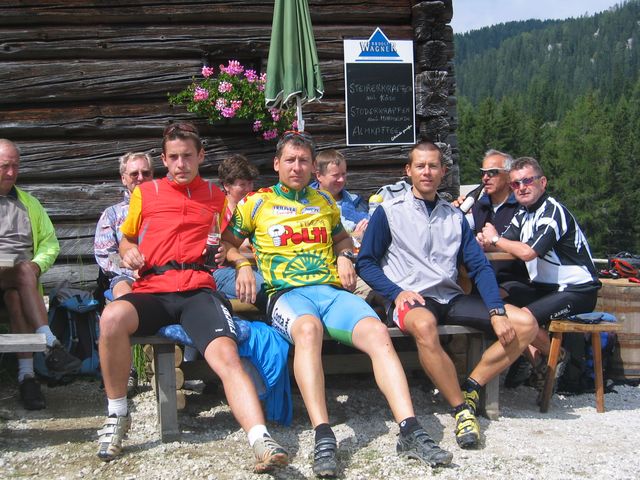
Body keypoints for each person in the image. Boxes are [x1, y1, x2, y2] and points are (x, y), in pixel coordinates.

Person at [222, 131, 453, 477]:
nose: (297, 167)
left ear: (313, 167)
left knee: (378, 332)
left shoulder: (324, 201)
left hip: (330, 293)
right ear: (276, 164)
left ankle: (409, 429)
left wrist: (345, 255)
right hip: (286, 294)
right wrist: (242, 264)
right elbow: (227, 242)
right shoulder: (256, 202)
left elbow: (343, 238)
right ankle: (323, 435)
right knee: (309, 330)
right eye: (290, 160)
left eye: (303, 161)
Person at [96, 122, 288, 473]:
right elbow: (126, 239)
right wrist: (128, 251)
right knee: (111, 318)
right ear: (164, 159)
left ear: (201, 156)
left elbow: (229, 244)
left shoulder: (215, 197)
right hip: (154, 289)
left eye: (187, 156)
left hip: (198, 290)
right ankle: (117, 415)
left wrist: (242, 263)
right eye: (173, 157)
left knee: (226, 354)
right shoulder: (146, 193)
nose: (180, 164)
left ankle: (261, 439)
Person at [356, 142, 538, 449]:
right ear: (408, 171)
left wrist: (496, 310)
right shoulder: (389, 212)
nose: (426, 172)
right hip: (410, 296)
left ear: (443, 172)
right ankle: (461, 410)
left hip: (450, 297)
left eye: (433, 166)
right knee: (425, 325)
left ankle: (472, 385)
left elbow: (479, 266)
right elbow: (366, 262)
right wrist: (395, 293)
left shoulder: (454, 217)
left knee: (526, 324)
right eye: (420, 166)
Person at [479, 156, 601, 392]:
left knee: (523, 318)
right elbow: (503, 244)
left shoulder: (552, 212)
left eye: (527, 181)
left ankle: (559, 357)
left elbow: (527, 252)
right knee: (498, 300)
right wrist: (482, 241)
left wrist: (494, 238)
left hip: (578, 289)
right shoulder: (523, 213)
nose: (522, 187)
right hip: (546, 287)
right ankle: (539, 363)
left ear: (542, 182)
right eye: (515, 184)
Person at [0, 139, 81, 410]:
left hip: (18, 281)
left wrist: (38, 265)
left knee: (16, 296)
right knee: (22, 271)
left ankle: (27, 377)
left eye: (15, 166)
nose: (11, 172)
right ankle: (49, 342)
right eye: (4, 166)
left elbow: (49, 243)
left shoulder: (29, 203)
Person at [94, 151, 154, 394]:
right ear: (123, 178)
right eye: (134, 173)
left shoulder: (164, 208)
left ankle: (173, 365)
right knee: (122, 301)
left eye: (146, 173)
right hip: (125, 275)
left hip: (161, 273)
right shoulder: (112, 214)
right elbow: (104, 254)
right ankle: (125, 370)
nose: (140, 178)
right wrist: (130, 266)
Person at [212, 154, 267, 312]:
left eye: (250, 183)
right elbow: (219, 249)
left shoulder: (256, 208)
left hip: (257, 269)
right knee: (266, 290)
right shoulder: (218, 211)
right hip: (224, 271)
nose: (248, 189)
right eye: (242, 184)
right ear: (227, 186)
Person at [310, 149, 369, 243]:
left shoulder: (356, 202)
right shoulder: (305, 201)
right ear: (319, 176)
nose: (341, 179)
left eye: (343, 174)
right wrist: (354, 236)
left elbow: (370, 230)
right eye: (335, 175)